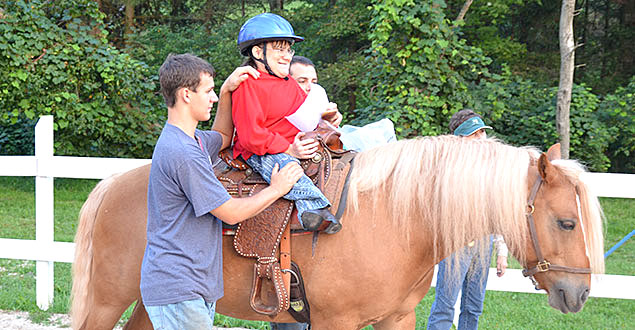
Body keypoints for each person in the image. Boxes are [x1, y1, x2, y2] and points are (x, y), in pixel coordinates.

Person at [140, 53, 304, 330]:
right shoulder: (183, 153)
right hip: (180, 285)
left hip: (192, 283)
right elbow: (229, 213)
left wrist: (228, 90)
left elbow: (224, 137)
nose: (213, 98)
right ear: (186, 95)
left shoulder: (194, 141)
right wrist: (276, 189)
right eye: (208, 91)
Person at [231, 13, 341, 234]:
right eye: (278, 49)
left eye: (288, 49)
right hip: (260, 151)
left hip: (292, 144)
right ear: (257, 52)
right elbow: (252, 136)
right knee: (287, 169)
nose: (286, 56)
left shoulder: (288, 83)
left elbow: (305, 116)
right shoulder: (248, 85)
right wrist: (288, 148)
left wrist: (327, 119)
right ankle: (313, 209)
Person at [427, 109, 509, 330]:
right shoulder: (447, 169)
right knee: (445, 306)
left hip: (484, 243)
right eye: (474, 134)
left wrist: (501, 251)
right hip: (457, 243)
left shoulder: (491, 169)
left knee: (473, 308)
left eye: (482, 131)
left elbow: (497, 211)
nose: (481, 138)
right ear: (460, 139)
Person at [289, 55, 396, 152]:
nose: (310, 87)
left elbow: (332, 126)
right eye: (302, 81)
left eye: (314, 82)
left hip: (337, 138)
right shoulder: (283, 106)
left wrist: (333, 119)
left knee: (386, 128)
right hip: (316, 146)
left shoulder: (316, 97)